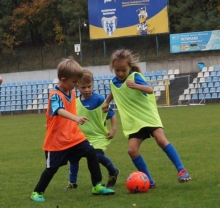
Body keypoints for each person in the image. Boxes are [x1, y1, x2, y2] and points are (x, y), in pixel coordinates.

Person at [102, 49, 191, 188]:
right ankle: (149, 181)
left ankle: (182, 170)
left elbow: (150, 90)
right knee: (132, 150)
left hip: (147, 115)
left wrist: (136, 86)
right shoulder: (114, 82)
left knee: (161, 139)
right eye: (117, 70)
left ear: (129, 67)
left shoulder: (135, 76)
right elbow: (114, 91)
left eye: (123, 70)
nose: (120, 73)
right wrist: (107, 103)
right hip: (133, 121)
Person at [30, 59, 115, 203]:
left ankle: (97, 185)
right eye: (74, 82)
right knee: (52, 169)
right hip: (57, 140)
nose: (76, 85)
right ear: (63, 80)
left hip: (74, 137)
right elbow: (59, 110)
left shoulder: (71, 92)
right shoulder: (55, 95)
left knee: (92, 153)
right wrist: (75, 118)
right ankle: (37, 192)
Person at [64, 69, 119, 190]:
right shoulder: (75, 102)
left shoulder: (99, 99)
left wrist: (113, 128)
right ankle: (72, 182)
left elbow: (111, 114)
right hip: (81, 137)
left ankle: (113, 171)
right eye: (84, 87)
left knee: (96, 155)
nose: (87, 90)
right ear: (77, 86)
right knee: (74, 157)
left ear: (93, 84)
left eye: (89, 86)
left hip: (98, 136)